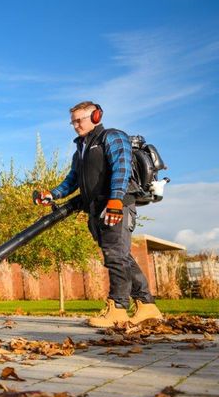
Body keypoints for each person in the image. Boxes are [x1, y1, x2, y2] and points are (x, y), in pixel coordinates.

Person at [34, 101, 162, 328]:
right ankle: (147, 306)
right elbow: (72, 180)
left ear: (95, 116)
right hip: (95, 209)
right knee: (120, 256)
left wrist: (115, 199)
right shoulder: (81, 149)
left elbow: (121, 168)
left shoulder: (112, 137)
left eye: (79, 120)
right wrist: (52, 195)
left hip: (116, 205)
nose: (75, 125)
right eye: (72, 122)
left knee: (115, 257)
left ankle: (118, 309)